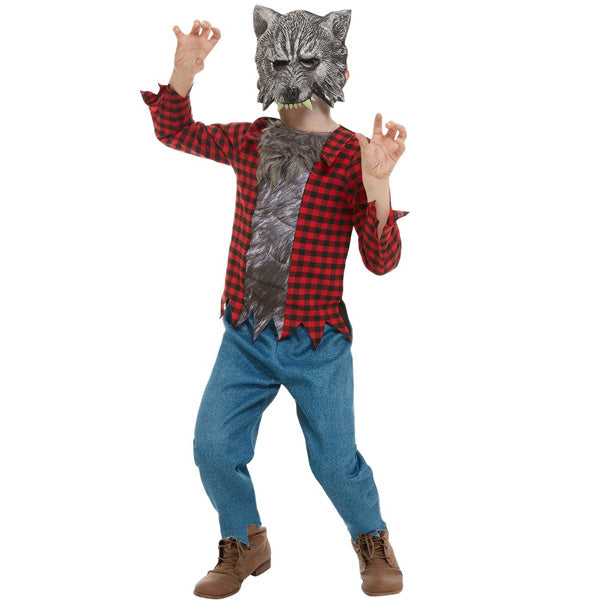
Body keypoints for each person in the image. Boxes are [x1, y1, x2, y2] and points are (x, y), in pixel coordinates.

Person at [140, 6, 409, 597]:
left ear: (337, 69)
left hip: (318, 343)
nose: (292, 76)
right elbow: (176, 131)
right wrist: (184, 73)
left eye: (307, 61)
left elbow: (381, 260)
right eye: (279, 61)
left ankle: (371, 536)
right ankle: (244, 539)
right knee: (213, 446)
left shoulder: (354, 156)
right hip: (246, 336)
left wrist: (379, 187)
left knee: (334, 460)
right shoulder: (251, 139)